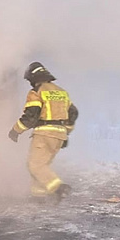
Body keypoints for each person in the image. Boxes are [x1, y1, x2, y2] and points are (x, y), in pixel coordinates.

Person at [8, 62, 79, 201]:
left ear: (33, 77)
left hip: (44, 134)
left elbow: (31, 115)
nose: (30, 84)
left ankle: (59, 188)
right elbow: (73, 113)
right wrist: (66, 133)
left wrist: (15, 130)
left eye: (30, 80)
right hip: (59, 135)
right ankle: (38, 196)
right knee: (42, 164)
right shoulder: (61, 92)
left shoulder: (37, 92)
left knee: (34, 165)